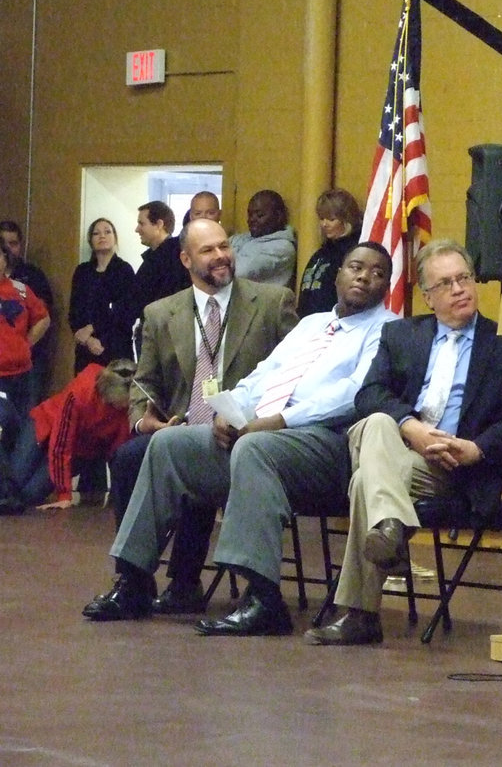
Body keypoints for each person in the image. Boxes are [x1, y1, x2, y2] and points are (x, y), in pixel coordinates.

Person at [82, 242, 397, 636]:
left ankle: (264, 600)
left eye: (377, 272)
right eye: (355, 267)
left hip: (326, 443)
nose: (364, 276)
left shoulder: (388, 329)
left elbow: (356, 392)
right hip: (263, 437)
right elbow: (265, 374)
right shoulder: (312, 324)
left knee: (253, 447)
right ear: (338, 274)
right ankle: (133, 581)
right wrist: (228, 412)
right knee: (168, 446)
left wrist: (277, 420)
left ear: (387, 284)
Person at [304, 239, 502, 646]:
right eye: (446, 283)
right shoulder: (401, 334)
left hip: (454, 467)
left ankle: (363, 611)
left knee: (366, 483)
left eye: (464, 278)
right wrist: (411, 428)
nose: (459, 289)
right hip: (401, 451)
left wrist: (477, 448)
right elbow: (369, 394)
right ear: (428, 298)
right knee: (377, 422)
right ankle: (390, 527)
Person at [103, 218, 297, 615]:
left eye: (224, 246)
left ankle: (185, 582)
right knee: (128, 458)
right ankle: (135, 582)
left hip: (246, 434)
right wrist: (146, 423)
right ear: (186, 258)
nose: (221, 256)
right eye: (208, 250)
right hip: (179, 426)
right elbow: (145, 383)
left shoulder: (273, 302)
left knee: (188, 451)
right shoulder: (160, 313)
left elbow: (295, 375)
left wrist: (258, 420)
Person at [0, 359, 134, 514]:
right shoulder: (80, 394)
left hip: (79, 451)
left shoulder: (125, 408)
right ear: (109, 394)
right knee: (11, 483)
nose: (127, 406)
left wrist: (121, 493)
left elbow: (119, 452)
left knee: (29, 495)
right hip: (46, 425)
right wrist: (64, 494)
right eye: (124, 402)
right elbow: (61, 444)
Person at [68, 218, 137, 373]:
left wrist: (93, 328)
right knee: (85, 393)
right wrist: (87, 339)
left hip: (116, 347)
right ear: (90, 241)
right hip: (85, 348)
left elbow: (125, 312)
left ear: (115, 238)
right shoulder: (82, 271)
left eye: (107, 232)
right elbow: (75, 311)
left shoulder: (124, 270)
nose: (102, 236)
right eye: (96, 233)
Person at [0, 220, 54, 401]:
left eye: (12, 244)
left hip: (23, 368)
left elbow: (43, 318)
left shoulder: (25, 284)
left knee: (23, 422)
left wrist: (23, 344)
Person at [298, 188, 363, 317]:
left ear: (347, 220)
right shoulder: (320, 253)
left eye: (331, 219)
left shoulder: (354, 254)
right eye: (322, 218)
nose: (324, 224)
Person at [131, 201, 191, 336]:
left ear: (159, 224)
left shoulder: (175, 258)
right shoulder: (153, 258)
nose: (137, 229)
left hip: (166, 334)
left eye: (142, 223)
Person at [229, 190, 296, 288]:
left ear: (278, 216)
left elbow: (238, 272)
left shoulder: (282, 248)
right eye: (250, 215)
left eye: (259, 215)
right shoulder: (241, 238)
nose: (251, 219)